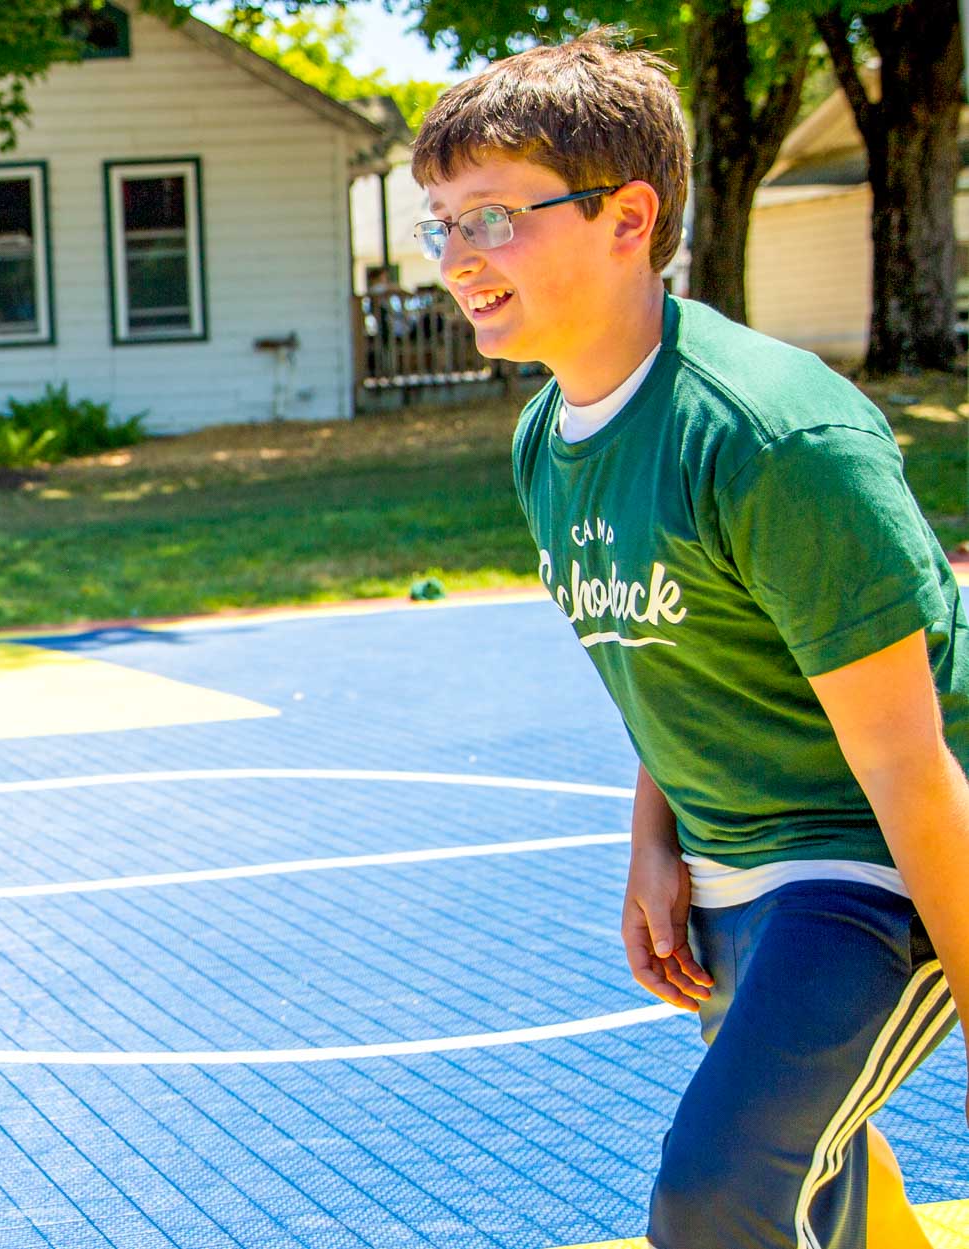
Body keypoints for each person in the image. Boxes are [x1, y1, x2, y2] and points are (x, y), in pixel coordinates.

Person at [412, 29, 966, 1248]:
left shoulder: (769, 437)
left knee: (717, 1193)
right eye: (440, 225)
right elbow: (676, 656)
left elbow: (912, 761)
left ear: (627, 218)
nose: (458, 258)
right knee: (826, 1191)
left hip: (874, 861)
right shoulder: (547, 439)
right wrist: (652, 842)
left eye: (495, 217)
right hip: (732, 862)